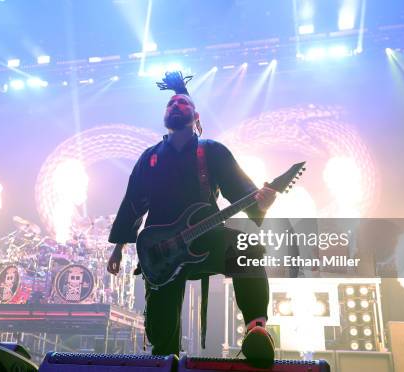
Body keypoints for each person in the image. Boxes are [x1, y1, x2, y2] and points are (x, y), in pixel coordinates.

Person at [106, 72, 277, 364]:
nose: (175, 105)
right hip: (161, 248)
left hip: (207, 238)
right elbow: (133, 202)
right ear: (164, 115)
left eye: (182, 102)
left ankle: (256, 329)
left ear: (195, 115)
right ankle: (164, 359)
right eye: (171, 103)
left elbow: (243, 192)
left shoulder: (212, 151)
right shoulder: (150, 157)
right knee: (162, 330)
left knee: (246, 246)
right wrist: (119, 246)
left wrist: (261, 202)